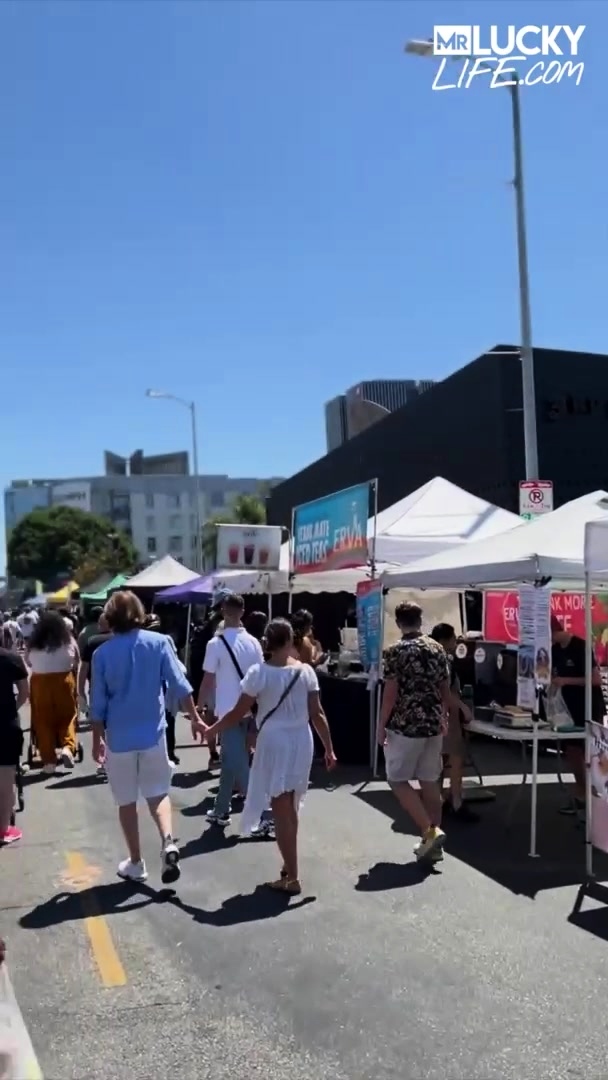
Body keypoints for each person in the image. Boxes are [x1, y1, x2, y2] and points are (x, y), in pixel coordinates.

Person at [203, 617, 337, 894]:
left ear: (266, 643)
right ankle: (289, 867)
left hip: (274, 740)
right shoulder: (305, 672)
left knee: (281, 806)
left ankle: (293, 875)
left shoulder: (258, 673)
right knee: (290, 804)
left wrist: (212, 730)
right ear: (290, 641)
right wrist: (329, 748)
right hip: (301, 738)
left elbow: (239, 712)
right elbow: (318, 713)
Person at [90, 591, 203, 884]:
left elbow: (98, 704)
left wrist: (96, 739)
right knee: (158, 793)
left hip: (119, 738)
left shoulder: (101, 654)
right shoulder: (160, 643)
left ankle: (137, 862)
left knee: (126, 801)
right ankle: (168, 841)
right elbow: (180, 685)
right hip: (153, 733)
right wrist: (197, 718)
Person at [378, 602, 451, 864]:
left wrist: (380, 725)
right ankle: (433, 844)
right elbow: (445, 688)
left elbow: (390, 694)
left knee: (397, 779)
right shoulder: (437, 648)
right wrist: (444, 716)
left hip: (406, 725)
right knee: (430, 781)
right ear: (421, 621)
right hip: (433, 723)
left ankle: (430, 833)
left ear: (398, 622)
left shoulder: (395, 652)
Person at [198, 593, 263, 827]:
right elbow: (260, 677)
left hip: (228, 711)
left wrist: (199, 706)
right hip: (250, 707)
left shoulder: (215, 644)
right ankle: (221, 808)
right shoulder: (254, 642)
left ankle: (263, 815)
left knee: (237, 763)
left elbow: (208, 680)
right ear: (243, 612)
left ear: (223, 612)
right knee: (229, 761)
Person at [551, 614, 606, 813]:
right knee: (572, 752)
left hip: (590, 706)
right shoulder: (554, 650)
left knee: (591, 754)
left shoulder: (580, 647)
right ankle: (582, 794)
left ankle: (596, 799)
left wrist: (566, 681)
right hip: (569, 709)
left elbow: (595, 680)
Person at [430, 624, 479, 823]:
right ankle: (456, 802)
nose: (455, 643)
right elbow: (447, 692)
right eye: (453, 639)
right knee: (456, 758)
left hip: (433, 715)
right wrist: (463, 708)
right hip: (447, 715)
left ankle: (440, 800)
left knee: (438, 761)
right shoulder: (444, 660)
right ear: (446, 640)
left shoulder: (428, 657)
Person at [28, 611, 79, 774]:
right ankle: (67, 747)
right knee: (68, 717)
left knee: (42, 722)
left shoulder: (34, 643)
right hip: (63, 680)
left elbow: (28, 661)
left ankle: (48, 761)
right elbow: (76, 659)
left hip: (40, 683)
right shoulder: (67, 640)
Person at [78, 613, 113, 779]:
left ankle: (103, 761)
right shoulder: (120, 640)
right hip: (117, 689)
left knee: (99, 726)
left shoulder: (92, 642)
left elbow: (83, 668)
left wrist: (80, 691)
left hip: (96, 687)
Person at [0, 646, 29, 844]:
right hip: (5, 724)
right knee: (5, 780)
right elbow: (24, 692)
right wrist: (12, 709)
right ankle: (3, 830)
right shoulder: (11, 658)